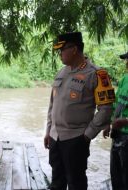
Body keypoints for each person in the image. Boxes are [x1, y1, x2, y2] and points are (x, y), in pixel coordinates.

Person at [44, 32, 115, 190]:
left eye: (61, 50)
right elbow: (52, 105)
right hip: (56, 138)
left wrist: (88, 135)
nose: (59, 54)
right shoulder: (61, 72)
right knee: (56, 182)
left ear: (74, 49)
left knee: (76, 183)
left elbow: (105, 109)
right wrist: (48, 130)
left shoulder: (96, 74)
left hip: (76, 139)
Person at [103, 52, 128, 190]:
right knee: (116, 174)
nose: (126, 63)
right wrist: (108, 123)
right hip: (118, 134)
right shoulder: (125, 79)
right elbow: (115, 103)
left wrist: (126, 120)